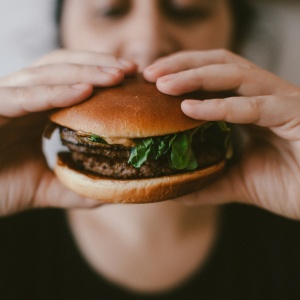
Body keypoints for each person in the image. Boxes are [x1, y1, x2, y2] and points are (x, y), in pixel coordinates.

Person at [1, 0, 300, 299]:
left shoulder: (288, 211)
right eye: (109, 11)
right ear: (62, 36)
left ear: (235, 36)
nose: (148, 44)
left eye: (187, 11)